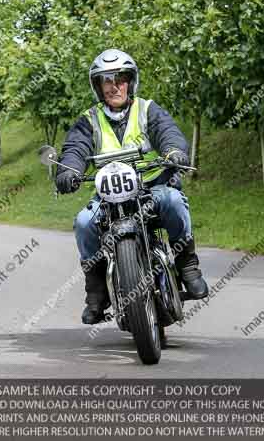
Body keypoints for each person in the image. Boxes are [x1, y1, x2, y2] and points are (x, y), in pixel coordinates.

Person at [55, 48, 209, 324]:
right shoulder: (88, 120)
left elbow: (168, 132)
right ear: (98, 86)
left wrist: (174, 151)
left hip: (151, 187)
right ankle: (97, 292)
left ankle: (187, 265)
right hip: (108, 198)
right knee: (84, 222)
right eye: (106, 80)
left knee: (173, 201)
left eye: (120, 79)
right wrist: (69, 171)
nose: (114, 86)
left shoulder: (148, 109)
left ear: (131, 81)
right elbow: (75, 149)